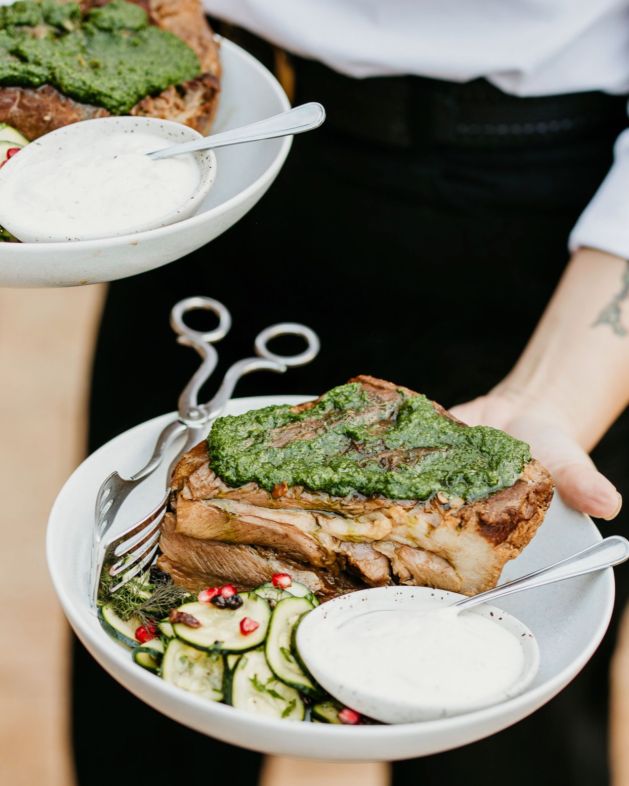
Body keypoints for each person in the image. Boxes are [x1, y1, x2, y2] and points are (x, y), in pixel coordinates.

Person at [76, 3, 629, 784]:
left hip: (545, 218)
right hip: (229, 139)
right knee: (142, 669)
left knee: (501, 746)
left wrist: (554, 396)